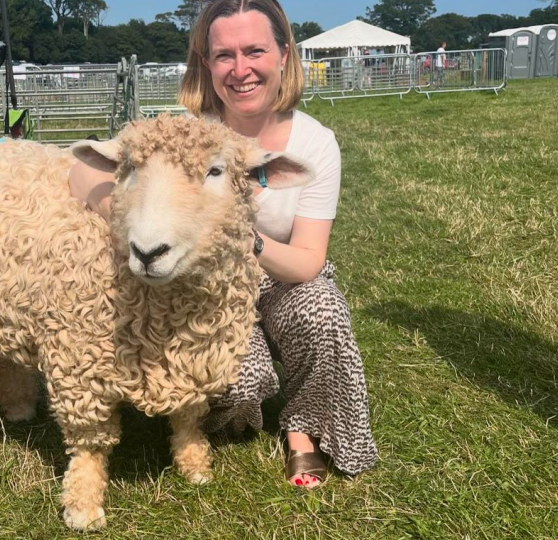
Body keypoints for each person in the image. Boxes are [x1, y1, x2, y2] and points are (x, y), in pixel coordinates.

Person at [68, 0, 377, 489]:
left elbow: (307, 260)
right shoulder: (187, 134)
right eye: (223, 55)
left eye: (254, 50)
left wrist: (238, 240)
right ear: (206, 64)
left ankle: (303, 427)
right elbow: (84, 168)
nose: (240, 70)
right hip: (204, 291)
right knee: (239, 379)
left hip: (280, 276)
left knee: (325, 315)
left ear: (283, 54)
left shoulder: (315, 144)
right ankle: (231, 414)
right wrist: (121, 216)